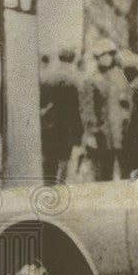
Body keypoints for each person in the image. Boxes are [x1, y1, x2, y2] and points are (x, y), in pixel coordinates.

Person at [82, 38, 133, 180]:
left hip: (121, 131)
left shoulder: (119, 76)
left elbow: (129, 99)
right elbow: (87, 109)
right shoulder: (92, 79)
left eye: (109, 54)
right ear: (97, 58)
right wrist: (91, 133)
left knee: (125, 173)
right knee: (102, 174)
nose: (106, 58)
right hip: (102, 133)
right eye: (102, 55)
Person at [39, 46, 83, 183]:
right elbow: (79, 106)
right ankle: (62, 186)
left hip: (50, 125)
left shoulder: (48, 76)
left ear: (59, 58)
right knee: (65, 159)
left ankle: (48, 187)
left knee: (49, 159)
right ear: (73, 59)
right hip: (68, 126)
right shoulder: (77, 78)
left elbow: (42, 101)